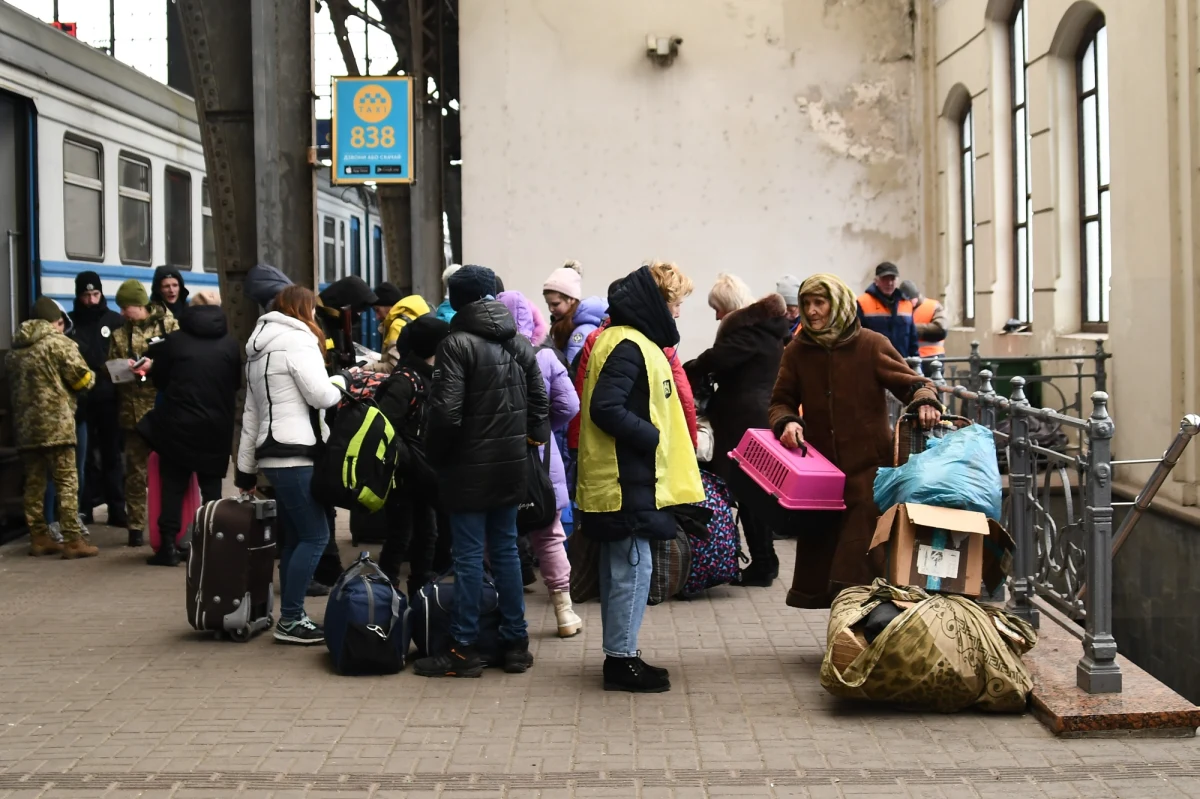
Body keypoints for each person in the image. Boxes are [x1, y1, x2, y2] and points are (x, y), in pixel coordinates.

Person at [769, 274, 941, 609]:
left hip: (869, 473)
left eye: (820, 302)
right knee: (825, 557)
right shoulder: (798, 351)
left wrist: (924, 400)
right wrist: (786, 422)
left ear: (839, 304)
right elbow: (780, 401)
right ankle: (846, 636)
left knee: (861, 558)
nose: (812, 311)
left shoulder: (871, 344)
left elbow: (912, 383)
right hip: (820, 475)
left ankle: (860, 635)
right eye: (806, 304)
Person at [414, 265, 550, 678]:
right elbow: (540, 403)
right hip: (510, 469)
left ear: (457, 300)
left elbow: (446, 413)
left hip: (467, 470)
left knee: (470, 556)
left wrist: (436, 456)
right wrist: (527, 443)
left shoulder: (456, 344)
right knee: (507, 551)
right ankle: (515, 645)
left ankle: (463, 648)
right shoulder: (518, 343)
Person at [576, 264, 704, 693]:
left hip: (626, 478)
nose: (678, 313)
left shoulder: (625, 341)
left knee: (624, 571)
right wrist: (652, 436)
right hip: (626, 480)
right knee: (633, 570)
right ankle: (622, 661)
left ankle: (621, 654)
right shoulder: (630, 345)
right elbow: (606, 408)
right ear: (656, 303)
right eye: (675, 303)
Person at [235, 285, 345, 645]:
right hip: (297, 452)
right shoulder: (298, 342)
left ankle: (291, 616)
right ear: (303, 309)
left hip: (272, 453)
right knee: (317, 535)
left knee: (298, 535)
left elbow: (250, 416)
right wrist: (343, 382)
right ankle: (292, 619)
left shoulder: (257, 348)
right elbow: (321, 395)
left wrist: (245, 470)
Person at [687, 284, 790, 587]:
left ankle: (763, 562)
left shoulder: (749, 335)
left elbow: (715, 359)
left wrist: (684, 369)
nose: (717, 317)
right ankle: (763, 561)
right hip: (756, 419)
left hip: (744, 423)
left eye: (718, 309)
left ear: (731, 306)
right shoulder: (768, 332)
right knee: (754, 492)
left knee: (749, 493)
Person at [496, 290, 584, 638]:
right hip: (542, 462)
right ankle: (564, 612)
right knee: (549, 536)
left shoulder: (487, 356)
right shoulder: (545, 358)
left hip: (497, 460)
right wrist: (544, 429)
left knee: (499, 538)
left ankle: (506, 615)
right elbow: (569, 405)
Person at [136, 292, 240, 566]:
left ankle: (168, 548)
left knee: (173, 488)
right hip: (216, 426)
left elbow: (160, 381)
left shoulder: (174, 343)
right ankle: (215, 547)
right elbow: (235, 383)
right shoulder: (230, 344)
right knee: (212, 491)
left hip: (179, 425)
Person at [6, 297, 96, 558]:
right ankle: (73, 541)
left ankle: (39, 537)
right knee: (67, 482)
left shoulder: (15, 350)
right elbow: (83, 380)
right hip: (56, 426)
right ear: (54, 322)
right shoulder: (59, 344)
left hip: (26, 428)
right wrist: (90, 380)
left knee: (34, 484)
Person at [374, 315, 452, 596]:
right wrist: (413, 461)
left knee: (427, 533)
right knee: (399, 536)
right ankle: (385, 595)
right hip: (403, 476)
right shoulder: (405, 381)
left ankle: (421, 593)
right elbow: (384, 428)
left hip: (422, 474)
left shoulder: (428, 377)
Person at [109, 279, 179, 548]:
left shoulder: (168, 326)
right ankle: (136, 527)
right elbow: (109, 369)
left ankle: (168, 526)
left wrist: (154, 365)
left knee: (167, 471)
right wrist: (120, 368)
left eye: (127, 307)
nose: (124, 313)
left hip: (162, 410)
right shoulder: (118, 334)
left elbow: (180, 359)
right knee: (135, 473)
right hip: (132, 412)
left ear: (140, 305)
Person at [69, 271, 126, 527]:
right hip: (82, 401)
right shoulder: (71, 324)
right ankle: (86, 507)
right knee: (85, 458)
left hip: (110, 399)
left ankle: (117, 508)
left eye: (95, 294)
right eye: (85, 295)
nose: (91, 300)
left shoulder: (114, 321)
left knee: (112, 455)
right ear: (78, 296)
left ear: (101, 293)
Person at [542, 261, 607, 366]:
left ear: (571, 299)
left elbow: (572, 372)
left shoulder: (581, 332)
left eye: (556, 304)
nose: (551, 309)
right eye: (548, 304)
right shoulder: (567, 325)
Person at [364, 281, 432, 373]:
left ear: (389, 306)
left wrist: (365, 368)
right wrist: (379, 357)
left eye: (377, 310)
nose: (377, 317)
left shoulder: (398, 325)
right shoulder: (413, 316)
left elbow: (393, 366)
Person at [856, 262, 919, 358]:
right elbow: (857, 337)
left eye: (892, 279)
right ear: (876, 281)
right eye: (884, 279)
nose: (889, 283)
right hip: (874, 363)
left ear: (897, 281)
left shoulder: (906, 303)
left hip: (902, 363)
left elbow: (912, 338)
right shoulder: (863, 302)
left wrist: (915, 362)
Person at [899, 279, 948, 362]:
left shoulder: (934, 306)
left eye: (910, 300)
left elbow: (941, 330)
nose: (908, 303)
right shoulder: (900, 309)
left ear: (917, 296)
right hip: (909, 358)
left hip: (932, 357)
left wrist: (910, 329)